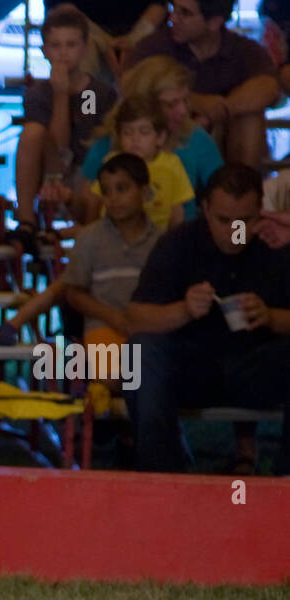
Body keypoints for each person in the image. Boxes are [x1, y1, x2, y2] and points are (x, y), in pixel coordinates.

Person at [127, 164, 290, 476]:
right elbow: (135, 319)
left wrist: (271, 317)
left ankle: (286, 480)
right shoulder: (179, 243)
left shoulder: (277, 243)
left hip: (256, 367)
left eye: (245, 221)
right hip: (193, 366)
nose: (234, 231)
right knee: (141, 351)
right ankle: (162, 477)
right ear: (205, 210)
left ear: (261, 211)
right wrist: (184, 310)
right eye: (223, 220)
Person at [62, 153, 159, 425]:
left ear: (145, 191)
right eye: (106, 192)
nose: (114, 198)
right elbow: (73, 292)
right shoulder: (91, 239)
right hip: (103, 326)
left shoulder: (160, 241)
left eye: (123, 189)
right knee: (116, 374)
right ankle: (119, 424)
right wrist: (112, 316)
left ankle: (135, 430)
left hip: (147, 329)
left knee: (152, 370)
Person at [11, 5, 117, 252]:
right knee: (32, 132)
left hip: (85, 170)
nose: (63, 53)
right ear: (45, 51)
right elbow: (57, 148)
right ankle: (26, 220)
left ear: (84, 48)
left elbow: (85, 143)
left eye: (71, 45)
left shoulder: (93, 93)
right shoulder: (37, 95)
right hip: (50, 168)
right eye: (56, 46)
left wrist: (63, 94)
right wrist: (59, 95)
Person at [128, 0, 278, 169]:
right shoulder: (156, 44)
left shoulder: (242, 48)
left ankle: (241, 188)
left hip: (224, 135)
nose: (173, 18)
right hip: (166, 131)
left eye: (185, 13)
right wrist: (195, 102)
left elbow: (269, 87)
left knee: (250, 116)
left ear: (214, 22)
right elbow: (130, 85)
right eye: (173, 8)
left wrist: (220, 110)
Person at [79, 55, 224, 223]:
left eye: (185, 101)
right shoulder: (106, 145)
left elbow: (225, 196)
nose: (183, 111)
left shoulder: (196, 138)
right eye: (171, 104)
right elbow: (85, 211)